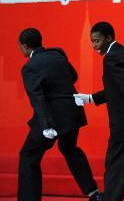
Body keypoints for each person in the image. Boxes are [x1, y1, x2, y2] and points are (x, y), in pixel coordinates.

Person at [17, 28, 102, 201]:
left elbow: (37, 98)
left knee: (28, 156)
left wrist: (46, 125)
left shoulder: (29, 67)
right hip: (72, 112)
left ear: (25, 47)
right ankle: (94, 194)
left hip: (52, 118)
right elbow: (73, 76)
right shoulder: (57, 55)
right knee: (70, 149)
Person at [73, 21, 124, 201]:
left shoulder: (112, 58)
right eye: (91, 41)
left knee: (116, 164)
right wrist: (91, 98)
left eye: (97, 40)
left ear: (109, 37)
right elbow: (117, 89)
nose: (94, 45)